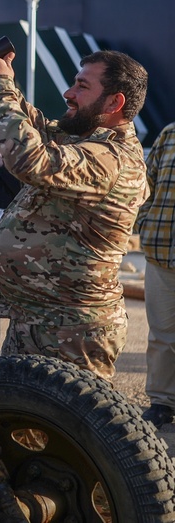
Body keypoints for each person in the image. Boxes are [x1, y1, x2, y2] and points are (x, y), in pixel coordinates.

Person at [0, 49, 148, 381]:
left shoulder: (110, 158)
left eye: (81, 86)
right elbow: (38, 131)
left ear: (113, 103)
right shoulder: (87, 141)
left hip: (72, 332)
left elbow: (28, 158)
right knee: (20, 424)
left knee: (62, 430)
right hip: (41, 321)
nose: (68, 93)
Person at [134, 121, 175, 427]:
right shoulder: (170, 133)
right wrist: (145, 224)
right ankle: (161, 401)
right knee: (161, 334)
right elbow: (145, 183)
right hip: (160, 250)